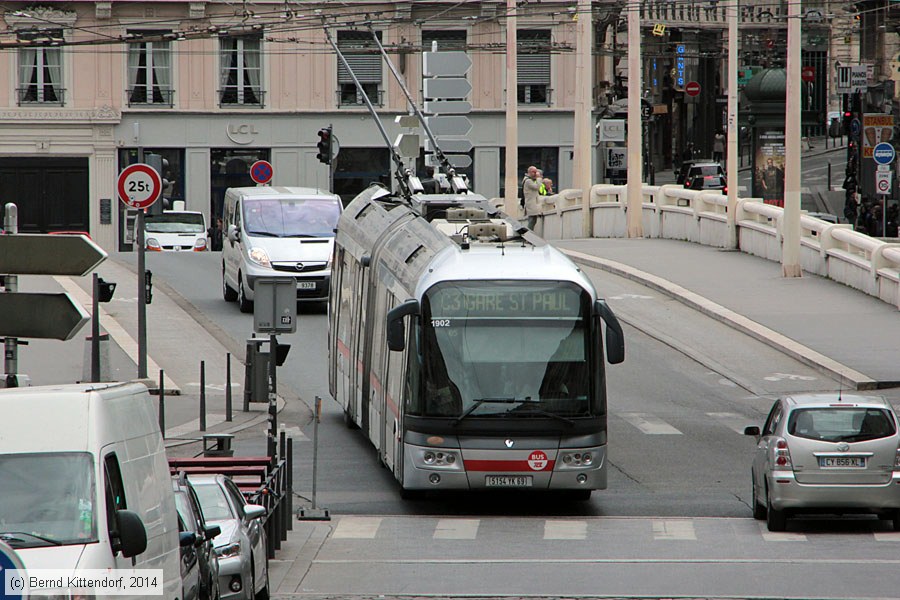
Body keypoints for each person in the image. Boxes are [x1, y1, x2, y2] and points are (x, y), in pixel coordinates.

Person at [522, 165, 543, 230]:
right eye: (534, 172)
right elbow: (537, 187)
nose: (535, 174)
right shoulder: (528, 181)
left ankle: (529, 235)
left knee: (533, 220)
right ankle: (529, 235)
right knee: (532, 221)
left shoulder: (529, 180)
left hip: (532, 203)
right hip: (531, 204)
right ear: (530, 172)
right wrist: (539, 179)